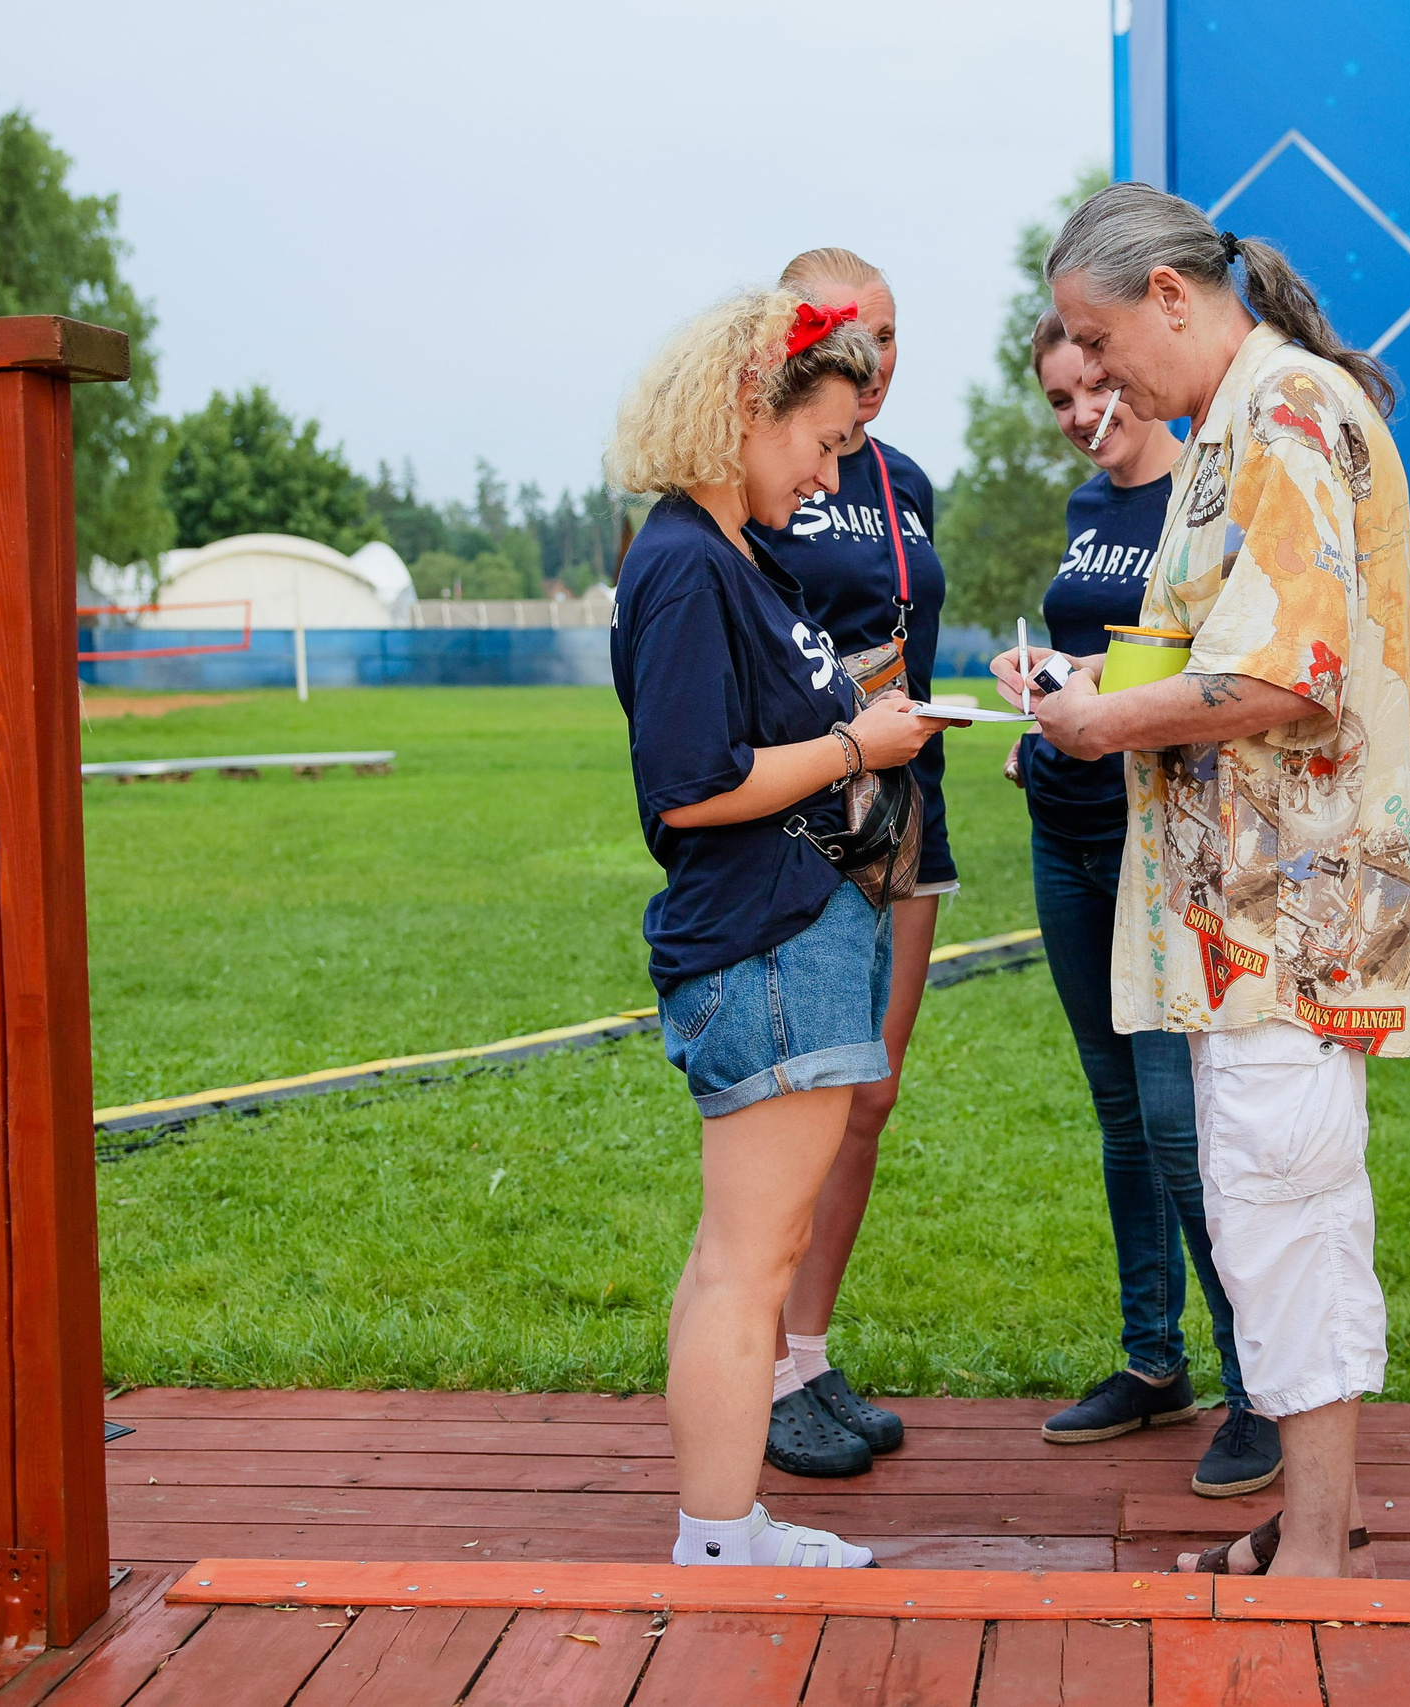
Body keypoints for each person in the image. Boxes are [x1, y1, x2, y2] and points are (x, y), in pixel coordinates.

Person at [1004, 183, 1410, 1579]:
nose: (1094, 377)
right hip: (1246, 911)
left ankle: (1315, 1545)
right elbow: (1224, 644)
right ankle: (1319, 1515)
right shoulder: (1233, 422)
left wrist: (1098, 726)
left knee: (1281, 1207)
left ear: (1169, 297)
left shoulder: (1285, 411)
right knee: (1278, 1208)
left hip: (1289, 910)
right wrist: (1092, 681)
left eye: (1096, 338)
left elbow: (1285, 672)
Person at [607, 286, 949, 1567]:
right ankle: (715, 1536)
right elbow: (691, 786)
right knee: (749, 1264)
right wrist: (859, 746)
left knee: (744, 1254)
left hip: (790, 935)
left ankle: (726, 1523)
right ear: (745, 410)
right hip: (763, 942)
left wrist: (860, 725)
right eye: (819, 443)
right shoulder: (687, 565)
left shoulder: (733, 553)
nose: (827, 476)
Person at [1015, 311, 1282, 1499]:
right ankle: (1152, 1362)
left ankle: (1260, 1387)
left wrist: (1097, 696)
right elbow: (1110, 660)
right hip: (1063, 832)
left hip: (1158, 845)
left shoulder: (1208, 491)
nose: (1086, 414)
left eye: (1098, 386)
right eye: (1062, 398)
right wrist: (1041, 692)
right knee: (1121, 1117)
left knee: (1183, 1128)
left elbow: (1216, 672)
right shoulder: (1088, 509)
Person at [744, 247, 952, 1475]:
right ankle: (759, 1366)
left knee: (869, 1095)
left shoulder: (904, 478)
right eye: (851, 338)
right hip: (801, 812)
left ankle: (809, 1356)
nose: (873, 364)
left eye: (890, 337)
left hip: (907, 811)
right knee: (799, 1100)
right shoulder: (753, 471)